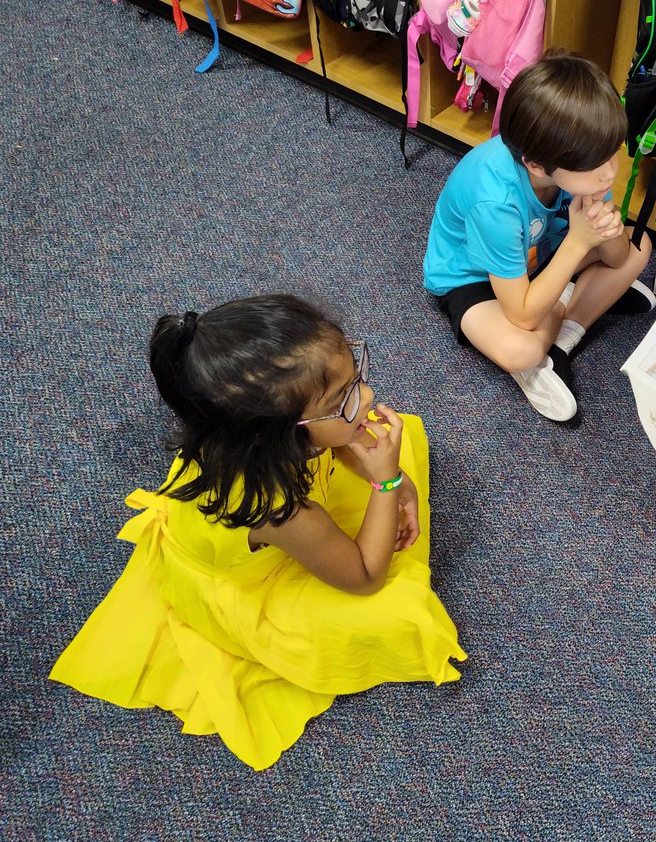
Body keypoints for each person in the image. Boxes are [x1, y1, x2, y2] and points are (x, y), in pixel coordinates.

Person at [50, 295, 466, 770]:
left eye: (358, 377)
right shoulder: (280, 510)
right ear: (281, 436)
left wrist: (397, 484)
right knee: (398, 612)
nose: (368, 398)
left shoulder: (257, 437)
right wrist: (388, 482)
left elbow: (341, 444)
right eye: (343, 398)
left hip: (268, 499)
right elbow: (364, 577)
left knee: (391, 442)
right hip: (244, 583)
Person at [423, 50, 655, 422]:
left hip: (540, 252)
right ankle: (570, 304)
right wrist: (580, 243)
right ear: (535, 164)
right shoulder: (494, 200)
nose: (610, 173)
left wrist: (601, 232)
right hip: (472, 278)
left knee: (638, 245)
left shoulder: (583, 162)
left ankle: (561, 343)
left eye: (613, 153)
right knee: (522, 351)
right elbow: (525, 315)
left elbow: (617, 255)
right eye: (595, 165)